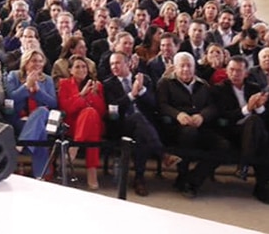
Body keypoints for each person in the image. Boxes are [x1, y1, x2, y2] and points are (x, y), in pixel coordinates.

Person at [156, 51, 228, 199]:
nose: (186, 69)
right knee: (189, 133)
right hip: (175, 127)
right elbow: (161, 105)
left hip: (199, 125)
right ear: (175, 67)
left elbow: (212, 107)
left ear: (194, 67)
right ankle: (183, 175)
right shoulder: (165, 83)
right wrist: (177, 115)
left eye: (189, 66)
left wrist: (202, 116)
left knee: (223, 146)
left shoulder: (203, 84)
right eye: (182, 66)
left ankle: (193, 179)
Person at [102, 50, 170, 197]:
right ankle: (161, 154)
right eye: (112, 64)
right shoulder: (108, 84)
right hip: (120, 125)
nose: (114, 67)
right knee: (138, 118)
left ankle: (139, 179)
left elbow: (154, 105)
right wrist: (131, 95)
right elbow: (113, 109)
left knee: (141, 133)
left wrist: (142, 90)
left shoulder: (144, 79)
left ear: (128, 64)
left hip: (144, 127)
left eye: (117, 63)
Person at [211, 56, 268, 203]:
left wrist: (260, 107)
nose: (235, 74)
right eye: (231, 70)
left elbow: (266, 119)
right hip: (231, 131)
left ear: (246, 73)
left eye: (239, 71)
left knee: (257, 125)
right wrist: (247, 109)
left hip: (253, 134)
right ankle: (258, 183)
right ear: (226, 71)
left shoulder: (254, 88)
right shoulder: (219, 89)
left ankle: (246, 169)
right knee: (256, 127)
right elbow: (223, 116)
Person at [5, 47, 57, 179]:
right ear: (26, 62)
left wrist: (38, 91)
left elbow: (53, 103)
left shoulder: (47, 80)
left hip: (40, 118)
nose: (37, 64)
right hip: (20, 120)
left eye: (40, 61)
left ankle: (22, 145)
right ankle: (41, 176)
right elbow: (10, 99)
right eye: (34, 61)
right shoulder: (14, 76)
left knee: (42, 111)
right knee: (40, 133)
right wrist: (26, 86)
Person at [57, 55, 106, 190]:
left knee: (91, 114)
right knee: (90, 120)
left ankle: (75, 147)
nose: (81, 69)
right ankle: (92, 172)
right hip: (72, 124)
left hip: (92, 124)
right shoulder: (64, 84)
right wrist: (81, 95)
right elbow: (66, 108)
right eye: (77, 67)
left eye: (84, 66)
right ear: (70, 70)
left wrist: (94, 95)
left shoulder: (97, 85)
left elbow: (101, 111)